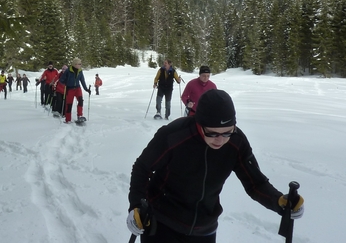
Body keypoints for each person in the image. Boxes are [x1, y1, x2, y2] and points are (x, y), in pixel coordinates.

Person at [127, 89, 304, 242]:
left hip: (204, 228)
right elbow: (142, 168)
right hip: (162, 221)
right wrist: (136, 206)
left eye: (227, 132)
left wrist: (280, 202)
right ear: (199, 123)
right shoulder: (174, 135)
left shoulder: (236, 141)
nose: (220, 140)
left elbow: (255, 183)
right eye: (212, 133)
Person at [58, 58, 90, 123]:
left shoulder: (80, 71)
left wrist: (86, 89)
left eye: (80, 64)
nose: (80, 65)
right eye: (79, 64)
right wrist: (66, 83)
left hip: (78, 88)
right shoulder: (68, 70)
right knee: (69, 104)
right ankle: (68, 119)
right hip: (70, 89)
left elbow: (82, 80)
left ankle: (80, 116)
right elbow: (61, 80)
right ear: (75, 64)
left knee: (80, 101)